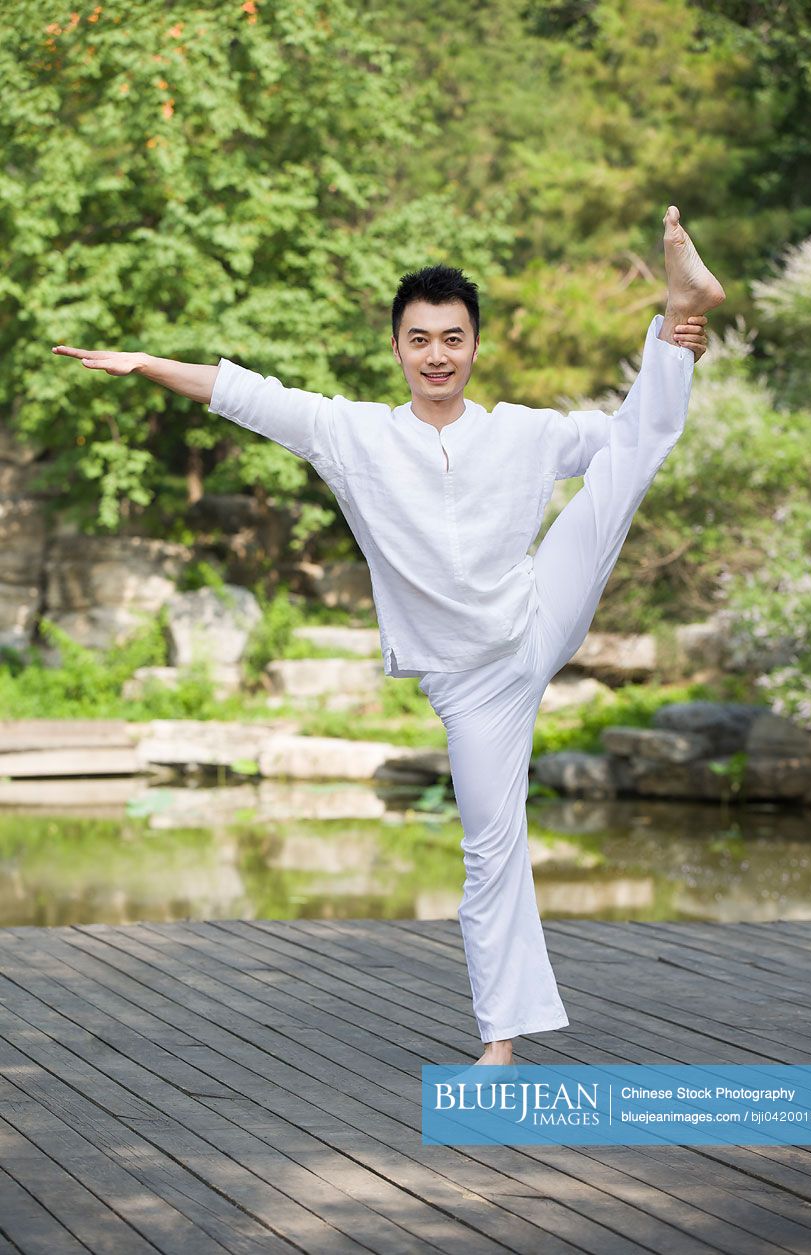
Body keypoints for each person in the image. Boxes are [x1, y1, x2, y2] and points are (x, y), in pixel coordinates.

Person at [52, 205, 725, 1065]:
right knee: (489, 851)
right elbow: (248, 395)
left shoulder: (524, 431)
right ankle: (501, 1042)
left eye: (452, 337)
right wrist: (146, 363)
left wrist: (677, 346)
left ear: (473, 345)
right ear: (398, 349)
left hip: (533, 616)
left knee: (626, 460)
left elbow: (635, 433)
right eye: (420, 338)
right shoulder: (351, 433)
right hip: (468, 682)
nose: (437, 354)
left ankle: (678, 304)